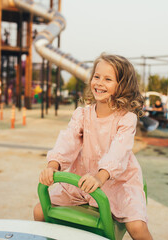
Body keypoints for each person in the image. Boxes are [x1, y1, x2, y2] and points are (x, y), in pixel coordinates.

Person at [33, 53, 153, 240]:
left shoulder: (126, 119)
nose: (99, 83)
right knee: (40, 211)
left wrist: (101, 176)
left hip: (116, 182)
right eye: (96, 77)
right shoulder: (82, 115)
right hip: (83, 180)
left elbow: (118, 151)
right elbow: (68, 141)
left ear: (121, 86)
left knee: (137, 227)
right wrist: (53, 165)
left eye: (108, 79)